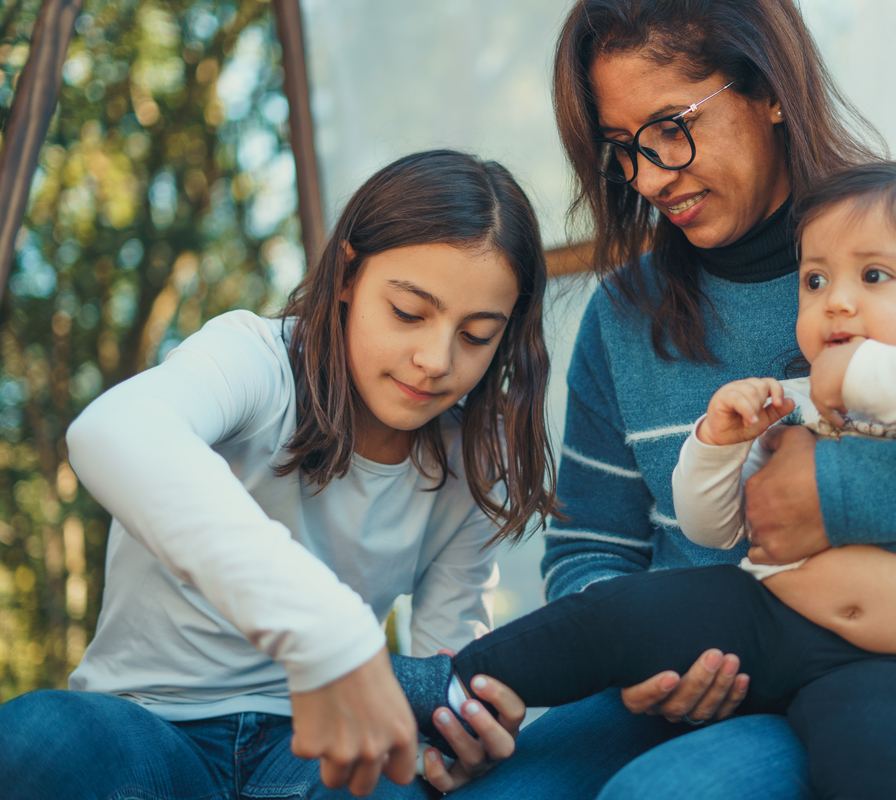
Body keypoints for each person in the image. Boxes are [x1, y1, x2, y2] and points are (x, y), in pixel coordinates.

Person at [443, 2, 896, 798]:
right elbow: (592, 549)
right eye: (623, 149)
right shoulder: (622, 314)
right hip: (698, 672)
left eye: (670, 129)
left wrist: (838, 494)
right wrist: (641, 671)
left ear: (768, 90)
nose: (649, 178)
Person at [381, 162, 896, 800]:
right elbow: (712, 527)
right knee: (617, 615)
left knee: (872, 770)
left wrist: (865, 375)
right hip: (765, 619)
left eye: (873, 277)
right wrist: (716, 446)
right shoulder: (794, 401)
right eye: (815, 281)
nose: (837, 302)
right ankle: (447, 684)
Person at [0, 150, 558, 799]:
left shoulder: (472, 461)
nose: (436, 360)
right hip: (148, 724)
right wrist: (326, 631)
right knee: (38, 738)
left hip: (314, 749)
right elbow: (113, 431)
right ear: (346, 274)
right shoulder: (255, 359)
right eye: (409, 312)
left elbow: (445, 667)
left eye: (477, 335)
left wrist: (456, 740)